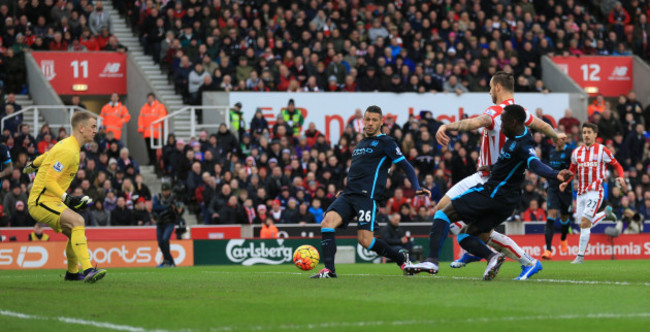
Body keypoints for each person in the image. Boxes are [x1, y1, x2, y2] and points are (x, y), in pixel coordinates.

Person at [405, 104, 572, 280]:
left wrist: (555, 174)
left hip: (491, 194)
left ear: (513, 122)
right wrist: (492, 167)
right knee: (467, 234)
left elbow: (534, 163)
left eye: (504, 121)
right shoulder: (517, 136)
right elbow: (513, 163)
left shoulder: (522, 144)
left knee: (443, 214)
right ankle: (497, 257)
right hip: (506, 202)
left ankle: (432, 260)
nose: (501, 125)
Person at [311, 105, 431, 279]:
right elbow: (357, 171)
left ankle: (400, 258)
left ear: (381, 122)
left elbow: (406, 165)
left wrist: (416, 186)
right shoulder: (360, 144)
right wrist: (344, 190)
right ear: (363, 121)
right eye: (367, 119)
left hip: (367, 197)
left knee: (365, 241)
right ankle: (329, 270)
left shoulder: (386, 142)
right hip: (348, 194)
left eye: (374, 120)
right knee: (327, 222)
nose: (370, 123)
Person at [22, 112, 106, 283]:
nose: (96, 131)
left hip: (51, 199)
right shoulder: (68, 150)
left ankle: (72, 273)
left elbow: (46, 156)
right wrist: (67, 198)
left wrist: (31, 165)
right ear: (81, 128)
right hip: (41, 201)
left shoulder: (68, 146)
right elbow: (49, 180)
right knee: (78, 222)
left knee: (74, 231)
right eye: (93, 127)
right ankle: (89, 270)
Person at [561, 123, 624, 264]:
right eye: (584, 132)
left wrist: (620, 176)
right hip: (581, 193)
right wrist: (566, 182)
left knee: (584, 222)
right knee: (582, 223)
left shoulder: (603, 150)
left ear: (595, 134)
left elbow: (617, 165)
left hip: (595, 191)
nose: (586, 135)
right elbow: (572, 170)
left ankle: (580, 256)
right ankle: (604, 214)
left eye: (589, 132)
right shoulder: (576, 152)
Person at [542, 134, 574, 260]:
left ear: (564, 139)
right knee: (551, 214)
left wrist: (568, 179)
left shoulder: (570, 152)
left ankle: (563, 238)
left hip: (566, 189)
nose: (556, 141)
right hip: (553, 188)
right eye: (554, 139)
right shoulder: (551, 152)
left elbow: (574, 169)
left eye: (558, 139)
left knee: (565, 216)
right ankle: (548, 250)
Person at [152, 181, 183, 267]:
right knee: (160, 242)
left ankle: (167, 261)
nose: (166, 192)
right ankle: (169, 261)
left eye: (167, 191)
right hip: (160, 222)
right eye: (164, 191)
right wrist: (167, 208)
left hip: (170, 222)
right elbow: (155, 207)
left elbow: (178, 208)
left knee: (165, 239)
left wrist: (175, 209)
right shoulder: (157, 197)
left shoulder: (174, 198)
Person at [138, 93, 168, 166]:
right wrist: (140, 129)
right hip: (147, 132)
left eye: (151, 98)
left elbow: (162, 116)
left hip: (155, 132)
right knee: (148, 147)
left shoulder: (159, 106)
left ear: (154, 98)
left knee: (154, 148)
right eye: (148, 98)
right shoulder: (144, 108)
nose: (149, 99)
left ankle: (155, 161)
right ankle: (151, 160)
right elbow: (141, 118)